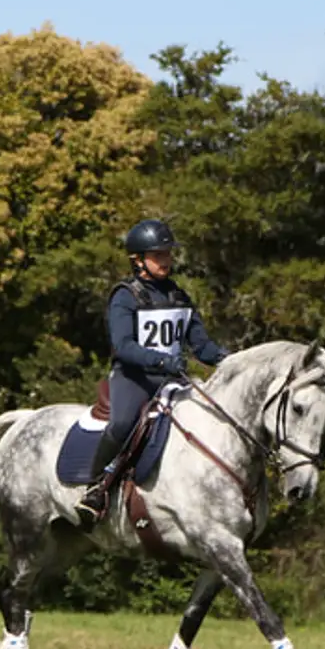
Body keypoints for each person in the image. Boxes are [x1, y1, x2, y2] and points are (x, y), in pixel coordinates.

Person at [75, 219, 228, 527]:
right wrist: (161, 361)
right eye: (159, 255)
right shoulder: (125, 296)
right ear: (138, 260)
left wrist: (231, 359)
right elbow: (123, 346)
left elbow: (202, 347)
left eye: (168, 254)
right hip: (135, 378)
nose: (166, 261)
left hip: (173, 380)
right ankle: (95, 487)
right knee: (122, 423)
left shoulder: (180, 297)